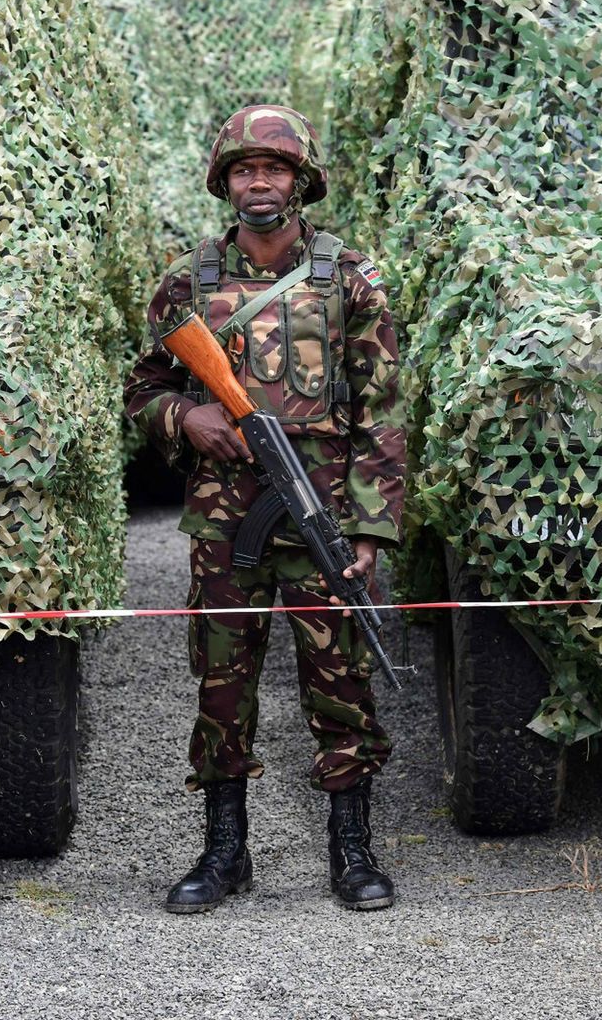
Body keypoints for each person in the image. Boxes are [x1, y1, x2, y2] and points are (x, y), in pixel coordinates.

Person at [123, 103, 407, 913]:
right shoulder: (188, 283)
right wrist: (187, 416)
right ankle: (223, 853)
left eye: (274, 168)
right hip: (225, 520)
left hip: (321, 511)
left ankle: (352, 852)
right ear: (225, 182)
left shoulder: (350, 279)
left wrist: (368, 529)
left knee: (341, 681)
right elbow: (143, 391)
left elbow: (381, 413)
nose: (259, 182)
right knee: (222, 680)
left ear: (301, 179)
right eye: (245, 169)